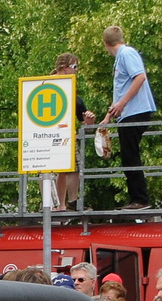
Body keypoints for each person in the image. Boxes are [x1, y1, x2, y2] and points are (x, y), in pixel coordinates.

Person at [99, 25, 156, 210]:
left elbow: (140, 77)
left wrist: (122, 104)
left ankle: (140, 199)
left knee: (130, 155)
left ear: (106, 44)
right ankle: (137, 198)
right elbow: (121, 89)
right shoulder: (123, 57)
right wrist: (109, 115)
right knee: (127, 155)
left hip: (134, 111)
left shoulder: (126, 54)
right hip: (127, 112)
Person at [53, 53, 97, 208]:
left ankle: (66, 203)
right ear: (65, 68)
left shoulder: (73, 97)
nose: (77, 71)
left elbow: (85, 122)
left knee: (69, 168)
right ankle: (60, 204)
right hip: (49, 135)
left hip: (65, 136)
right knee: (61, 169)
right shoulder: (46, 87)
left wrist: (89, 122)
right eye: (75, 67)